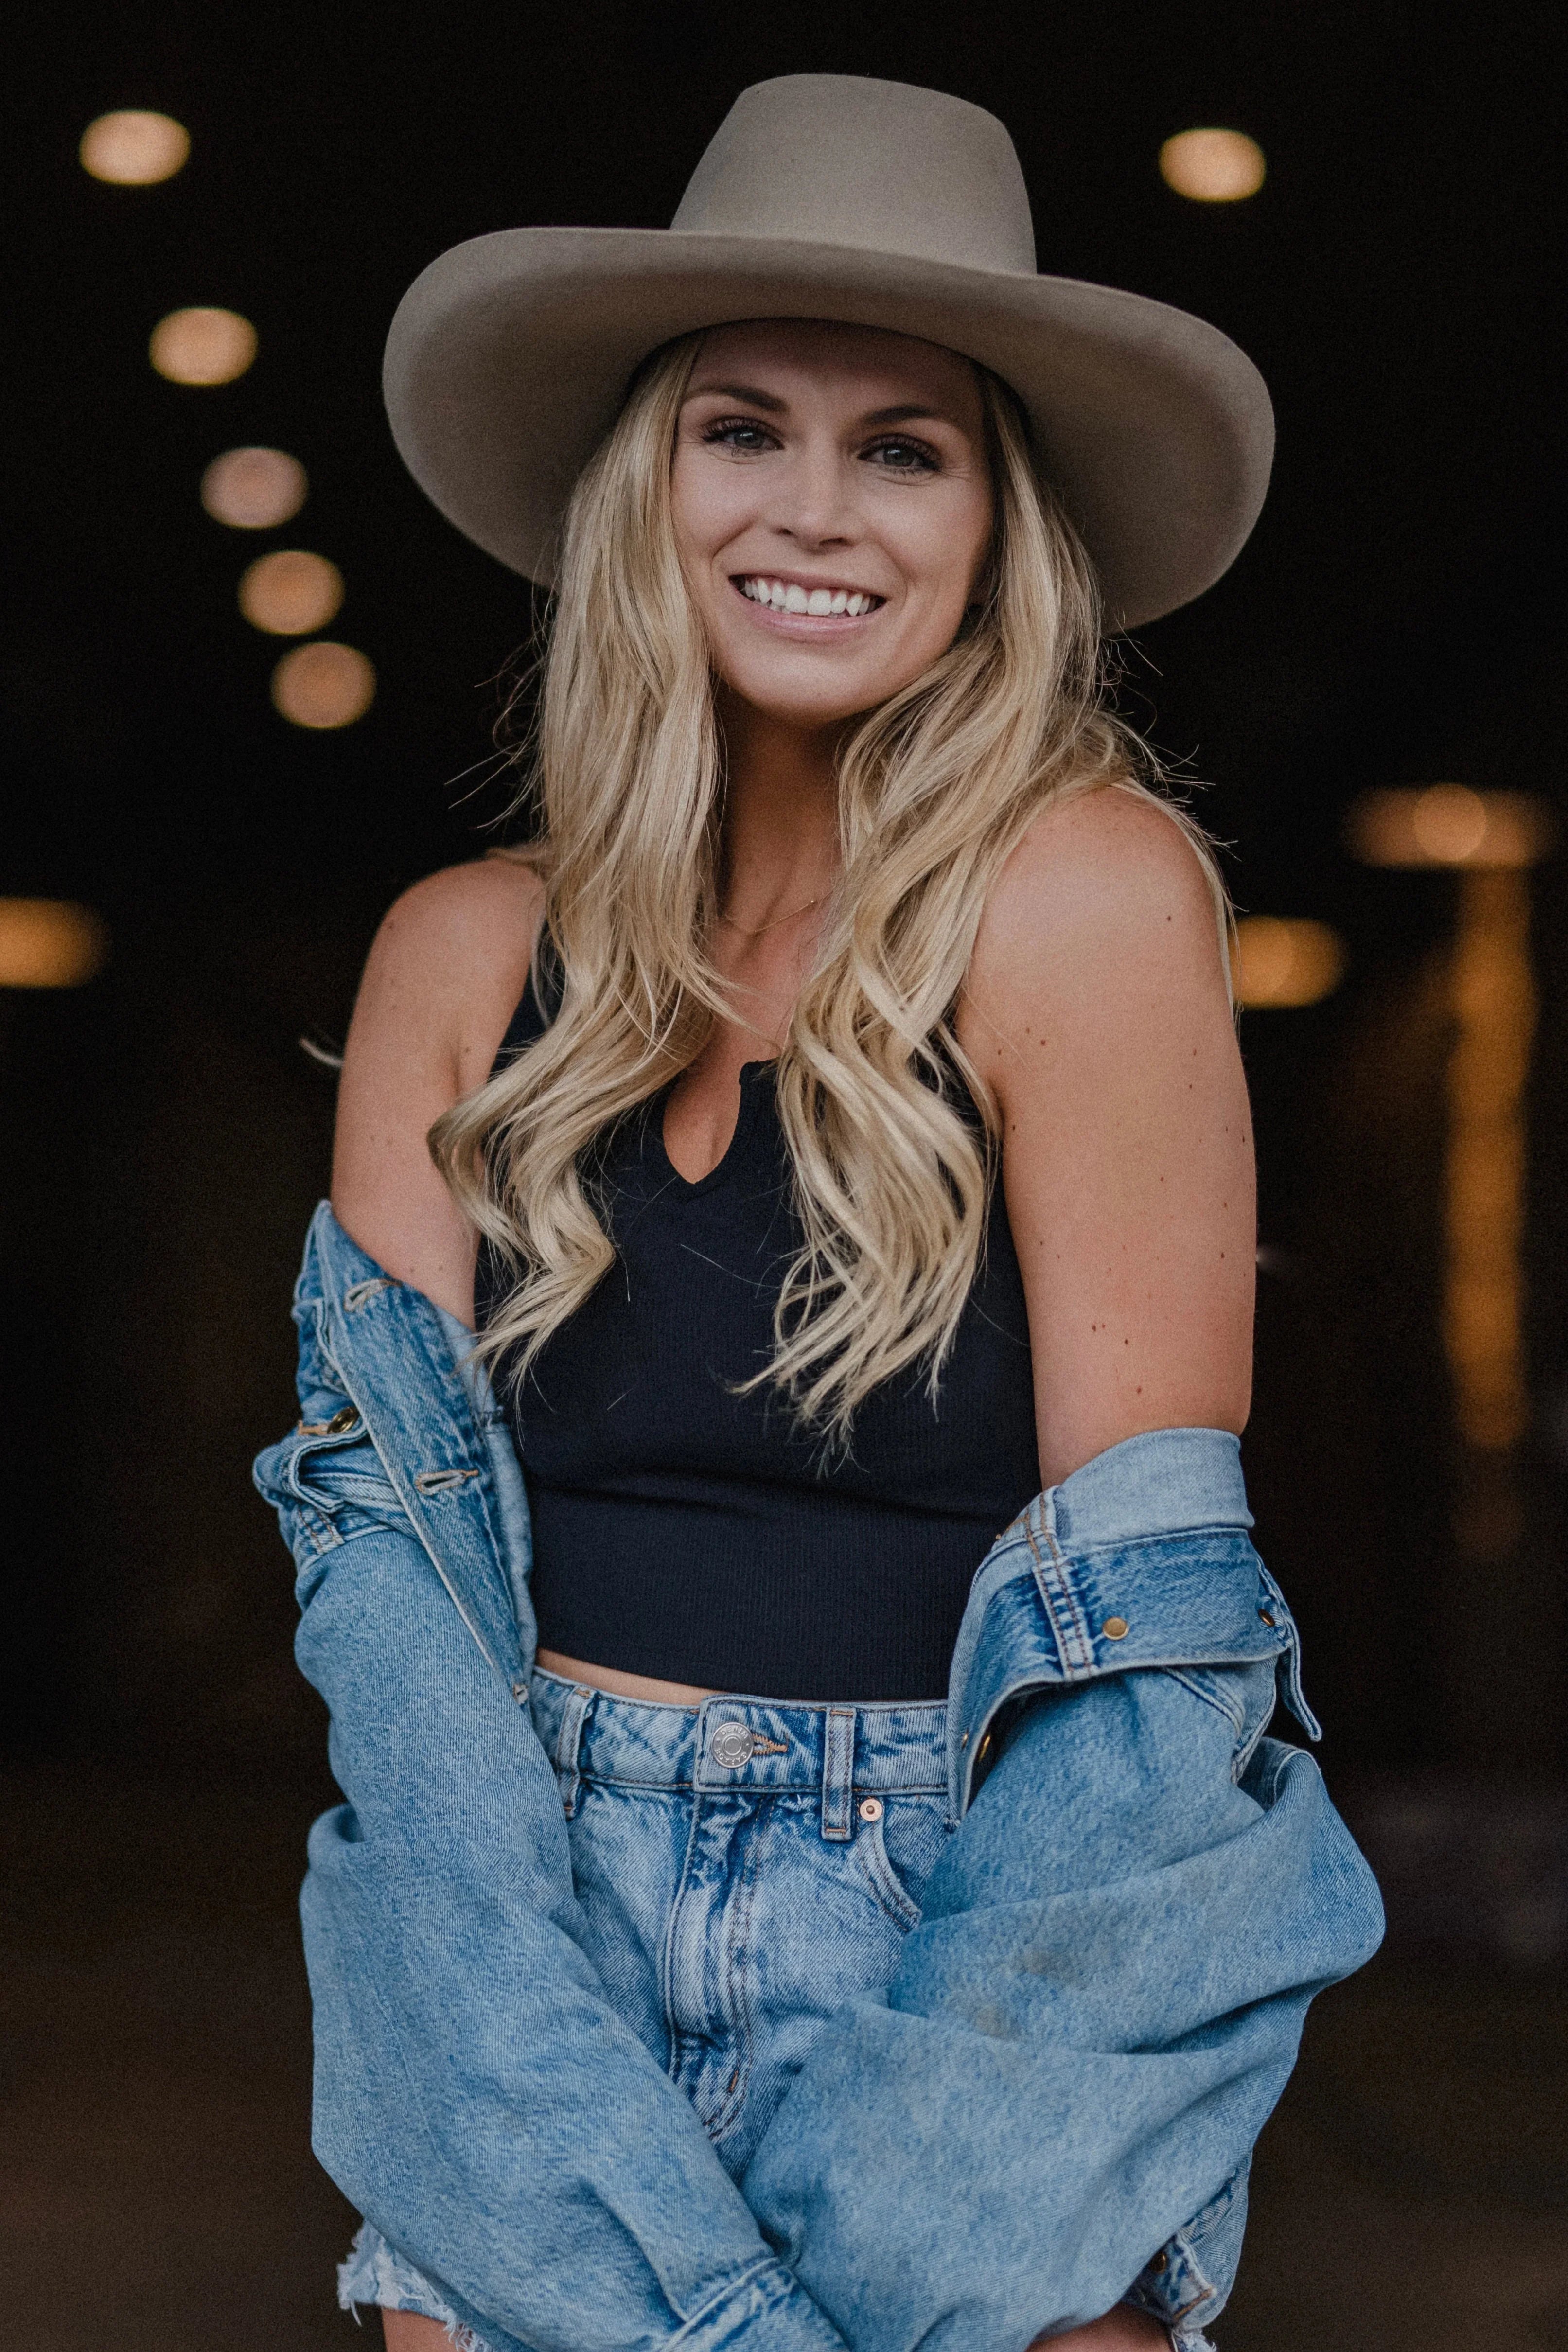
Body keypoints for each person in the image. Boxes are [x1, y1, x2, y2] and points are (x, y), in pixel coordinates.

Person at [256, 74, 1382, 2352]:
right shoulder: (462, 956)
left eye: (906, 447)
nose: (815, 511)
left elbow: (1155, 1650)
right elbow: (395, 1638)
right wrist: (515, 2120)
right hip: (513, 1943)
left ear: (995, 524)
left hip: (981, 1945)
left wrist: (923, 2207)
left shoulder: (1083, 895)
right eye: (741, 428)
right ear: (643, 488)